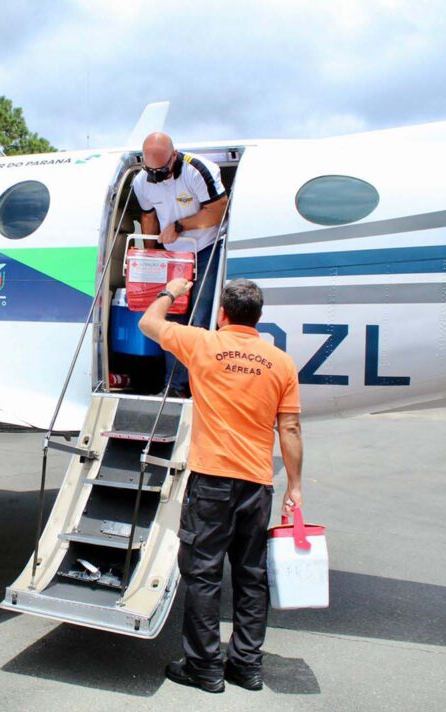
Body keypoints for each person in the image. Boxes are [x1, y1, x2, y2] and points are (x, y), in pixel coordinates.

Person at [138, 277, 304, 694]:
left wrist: (172, 290)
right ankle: (247, 666)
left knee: (203, 574)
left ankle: (205, 667)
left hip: (211, 481)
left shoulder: (202, 343)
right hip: (257, 485)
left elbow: (148, 323)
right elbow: (291, 427)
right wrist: (295, 487)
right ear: (259, 318)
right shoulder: (280, 362)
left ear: (223, 314)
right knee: (251, 576)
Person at [133, 132, 228, 398]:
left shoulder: (197, 170)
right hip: (174, 255)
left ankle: (201, 388)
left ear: (173, 156)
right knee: (172, 316)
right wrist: (151, 256)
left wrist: (180, 226)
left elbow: (219, 210)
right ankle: (174, 387)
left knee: (200, 317)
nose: (157, 176)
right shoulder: (142, 183)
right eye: (151, 171)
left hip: (207, 246)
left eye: (162, 170)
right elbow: (148, 217)